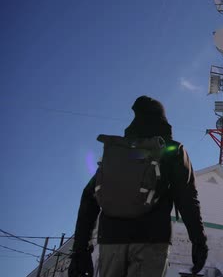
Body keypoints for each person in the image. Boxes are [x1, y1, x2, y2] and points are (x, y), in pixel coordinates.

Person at [68, 96, 208, 277]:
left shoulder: (119, 152)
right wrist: (199, 242)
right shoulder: (172, 149)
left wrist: (80, 250)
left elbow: (89, 197)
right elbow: (187, 198)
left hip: (110, 240)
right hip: (152, 239)